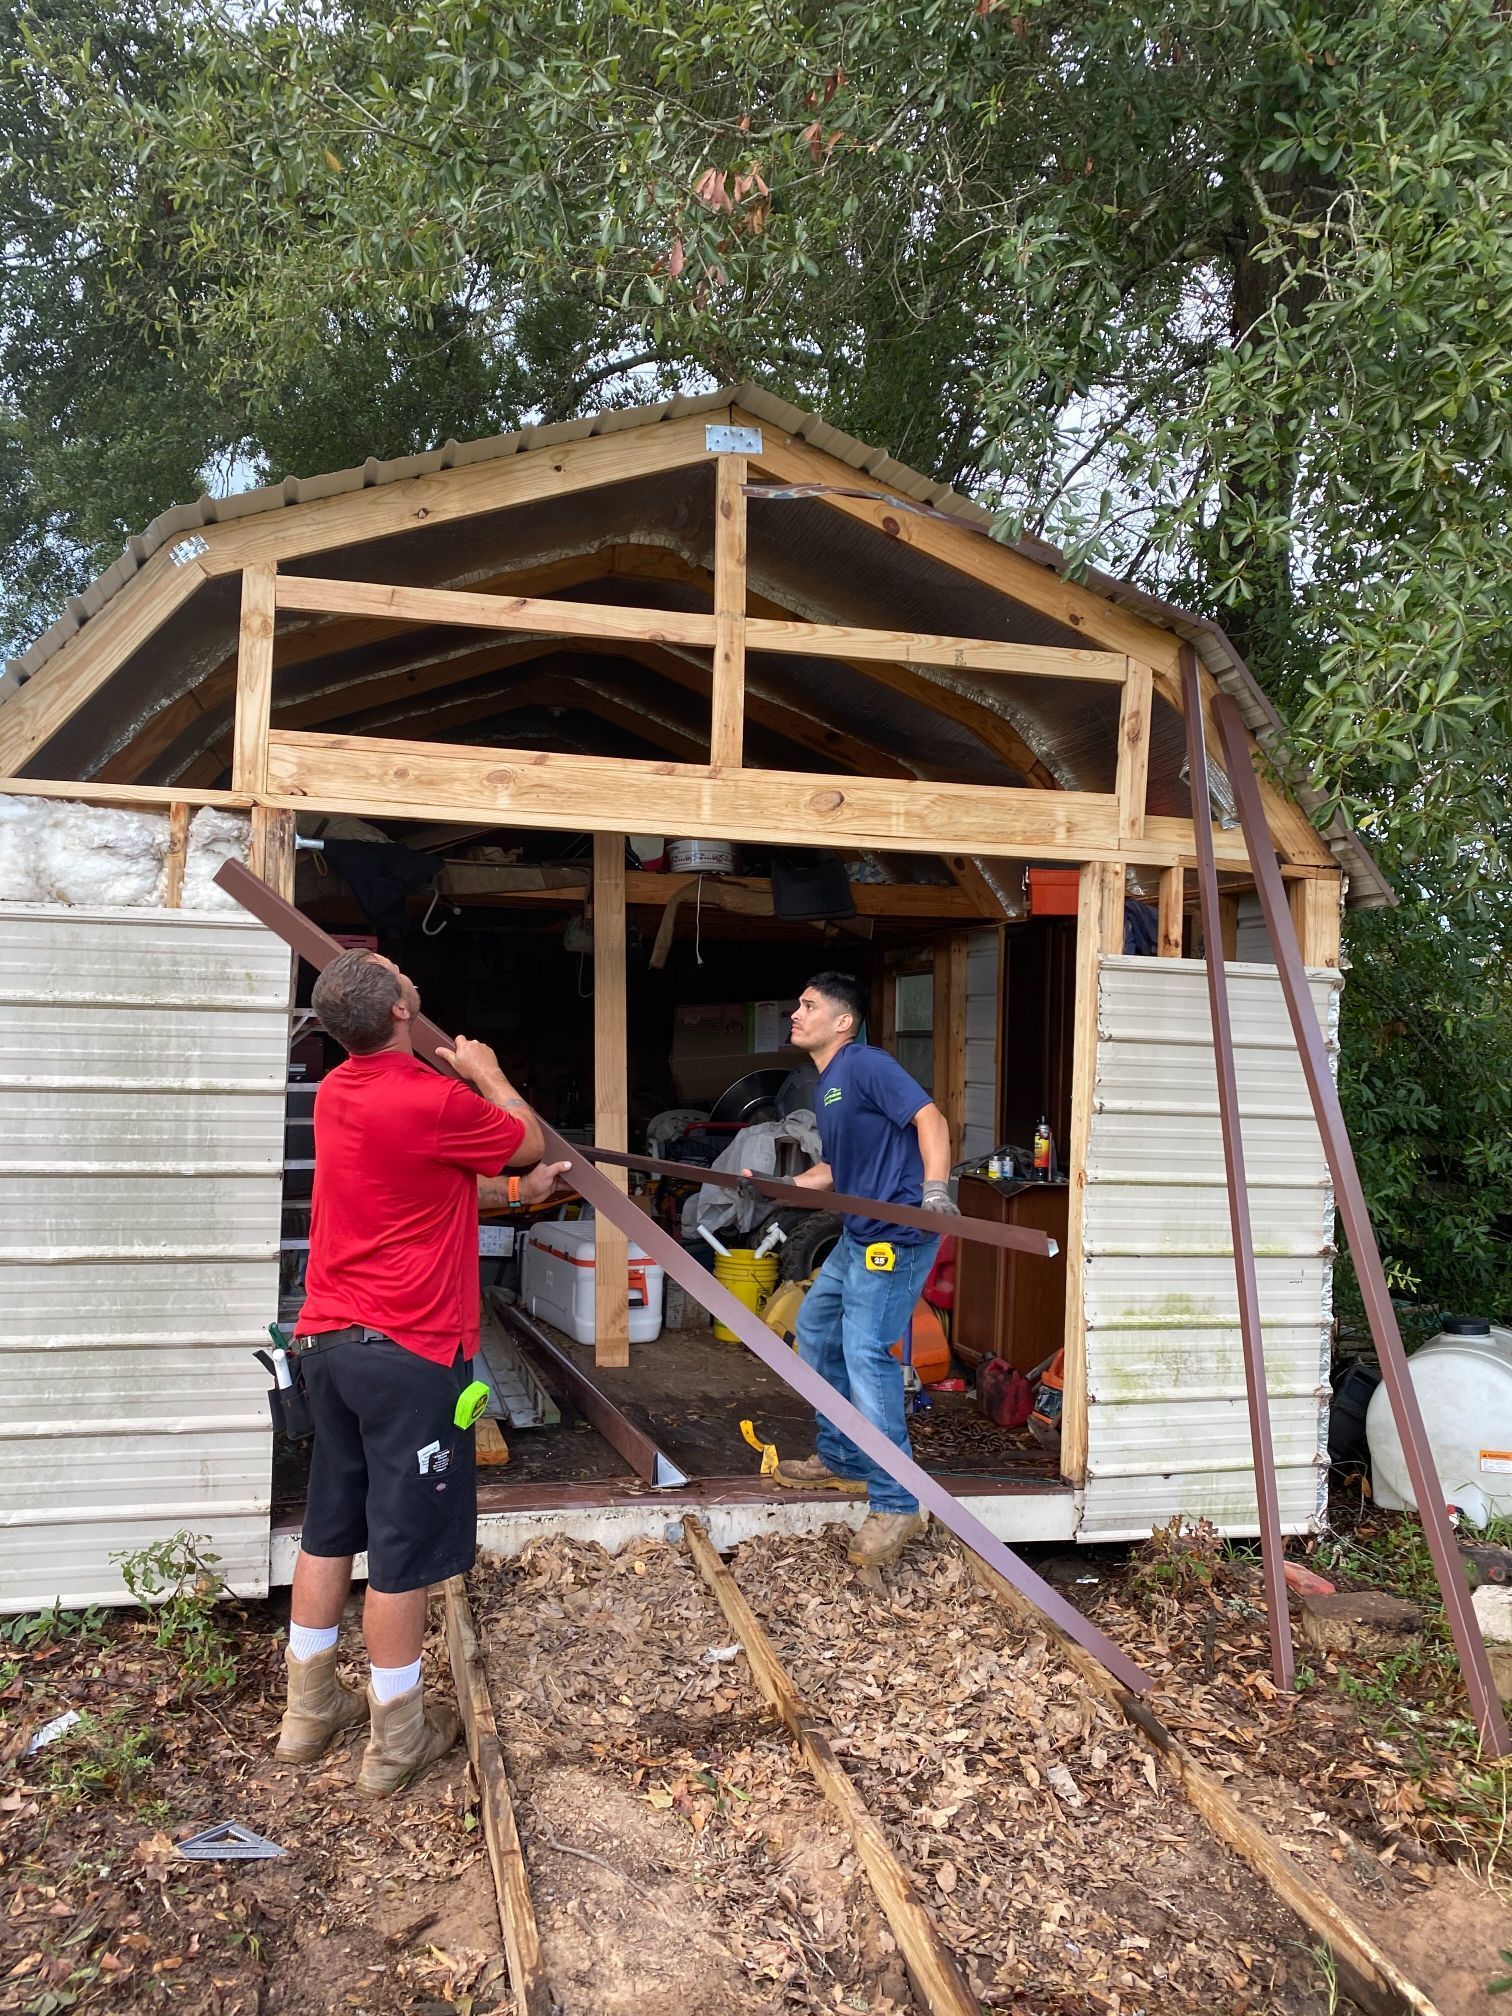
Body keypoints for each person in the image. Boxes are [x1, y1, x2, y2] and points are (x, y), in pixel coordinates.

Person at [275, 948, 568, 1794]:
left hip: (329, 1346)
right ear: (402, 1011)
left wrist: (516, 1195)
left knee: (329, 1528)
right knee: (400, 1553)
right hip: (408, 1354)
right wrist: (490, 1071)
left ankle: (308, 1713)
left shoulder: (338, 1095)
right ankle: (398, 1735)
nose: (412, 980)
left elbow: (427, 1185)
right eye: (402, 977)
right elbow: (527, 1137)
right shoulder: (437, 1097)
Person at [768, 971, 959, 1567]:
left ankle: (898, 1500)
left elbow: (931, 1120)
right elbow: (839, 1170)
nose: (795, 1014)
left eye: (808, 1005)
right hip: (859, 1234)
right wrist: (781, 1186)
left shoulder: (866, 1064)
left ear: (842, 1021)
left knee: (866, 1351)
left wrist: (933, 1190)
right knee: (817, 1331)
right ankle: (845, 1458)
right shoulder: (828, 1086)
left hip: (897, 1237)